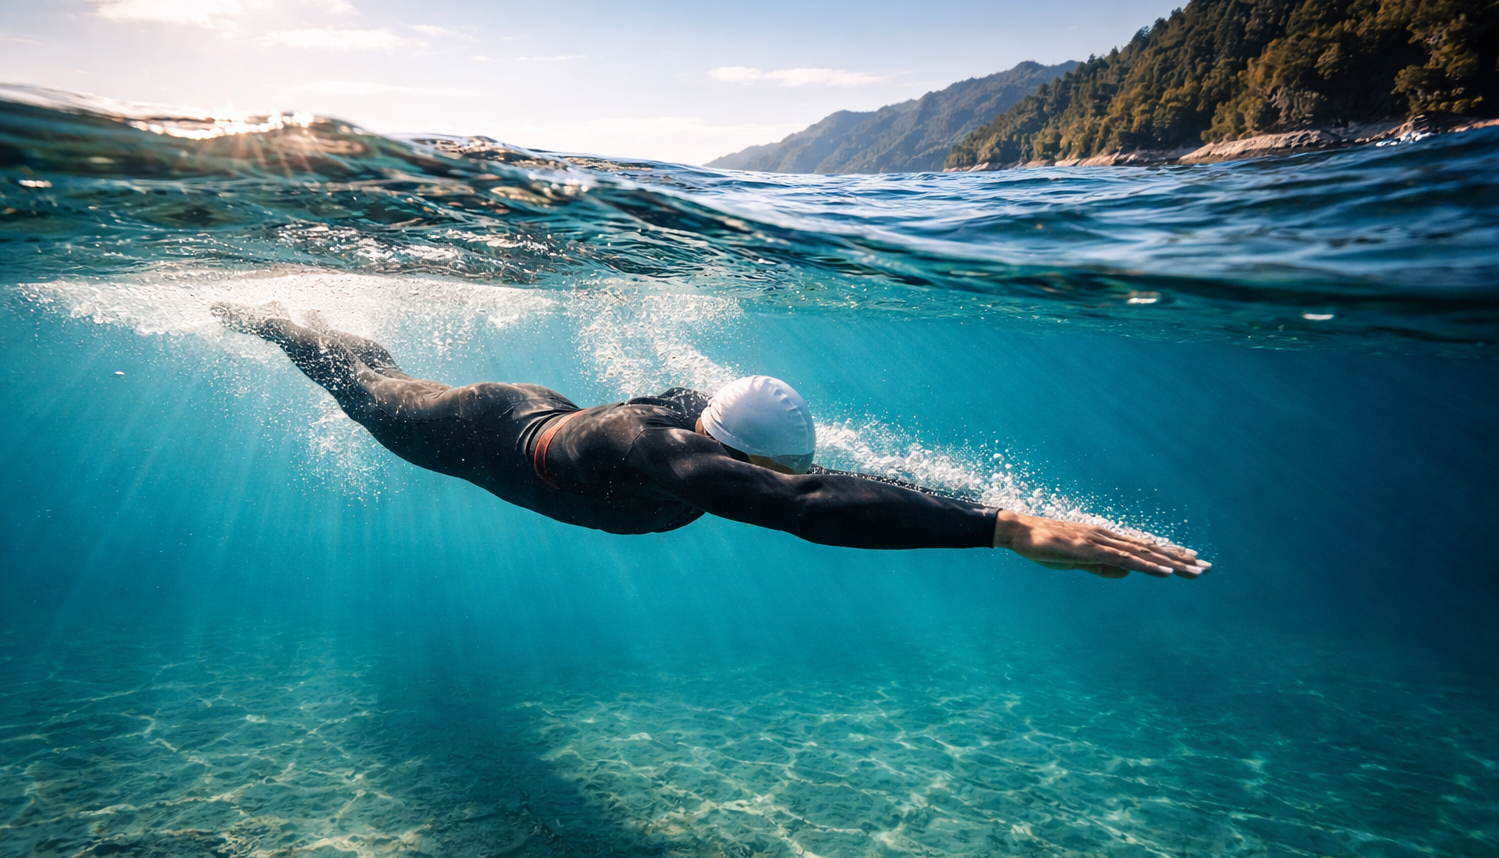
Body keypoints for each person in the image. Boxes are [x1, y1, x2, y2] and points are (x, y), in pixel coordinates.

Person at [213, 303, 1208, 579]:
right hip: (484, 427)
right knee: (371, 391)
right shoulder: (676, 454)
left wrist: (1011, 514)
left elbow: (830, 475)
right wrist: (1007, 528)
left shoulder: (710, 422)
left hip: (555, 414)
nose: (760, 482)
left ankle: (318, 329)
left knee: (381, 382)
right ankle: (283, 324)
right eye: (752, 469)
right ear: (717, 447)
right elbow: (806, 506)